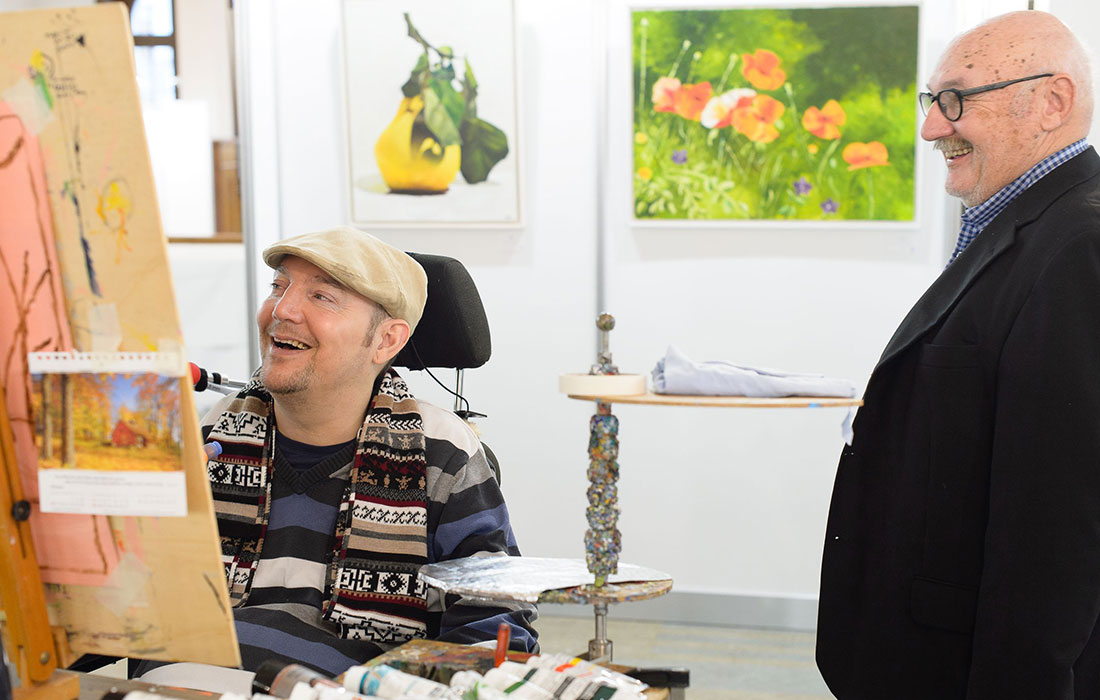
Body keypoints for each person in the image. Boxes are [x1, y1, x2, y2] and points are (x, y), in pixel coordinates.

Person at [817, 11, 1100, 700]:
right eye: (932, 101)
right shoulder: (1028, 230)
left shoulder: (1078, 247)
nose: (931, 128)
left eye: (955, 99)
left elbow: (1056, 527)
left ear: (1052, 102)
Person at [201, 226, 538, 675]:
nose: (282, 310)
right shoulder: (212, 436)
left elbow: (497, 621)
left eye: (322, 296)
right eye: (279, 287)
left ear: (387, 340)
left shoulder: (442, 451)